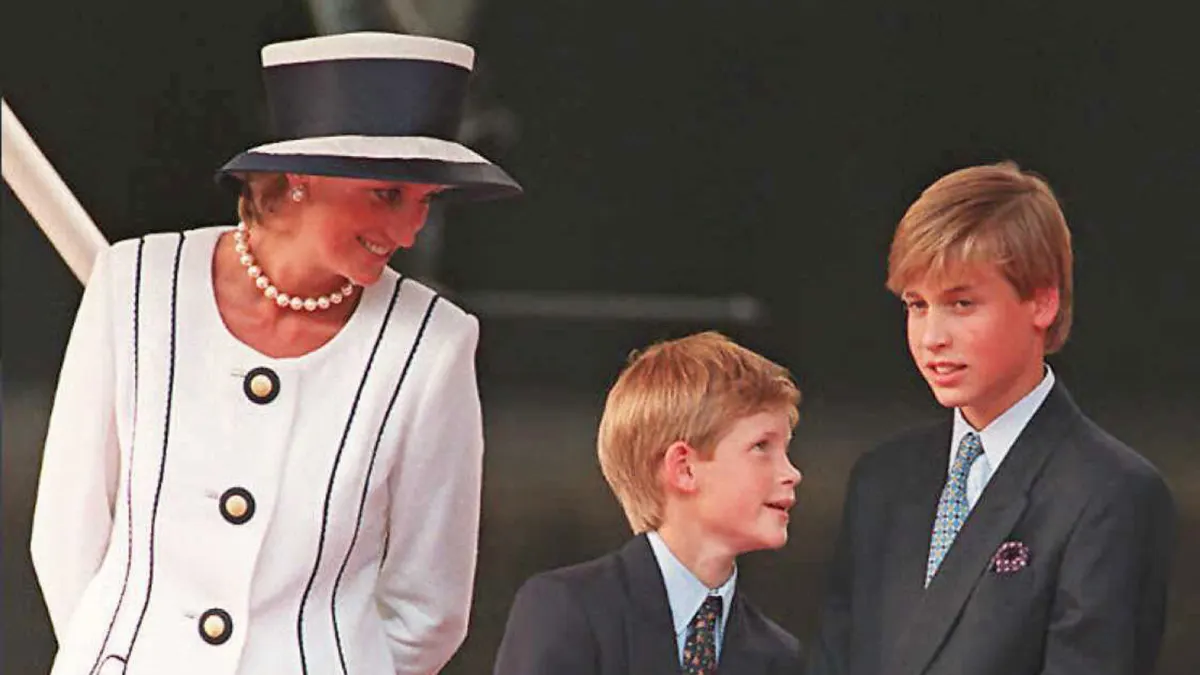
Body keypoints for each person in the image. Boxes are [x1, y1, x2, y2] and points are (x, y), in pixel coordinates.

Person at [30, 31, 521, 675]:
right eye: (386, 194)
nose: (408, 231)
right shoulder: (133, 282)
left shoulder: (433, 343)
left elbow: (429, 605)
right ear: (301, 176)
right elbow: (68, 532)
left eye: (424, 201)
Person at [807, 162, 1176, 675]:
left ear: (1042, 301)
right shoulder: (881, 479)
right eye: (917, 305)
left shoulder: (1111, 494)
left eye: (961, 303)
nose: (932, 335)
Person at [493, 331, 804, 675]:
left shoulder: (779, 656)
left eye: (785, 449)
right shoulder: (567, 610)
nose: (792, 473)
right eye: (762, 446)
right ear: (683, 468)